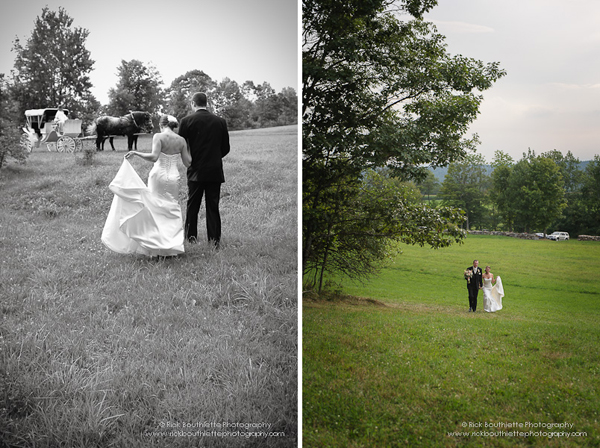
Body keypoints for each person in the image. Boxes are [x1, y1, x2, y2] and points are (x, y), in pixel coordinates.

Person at [101, 115, 191, 257]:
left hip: (158, 177)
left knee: (155, 207)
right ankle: (172, 245)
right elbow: (188, 162)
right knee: (171, 207)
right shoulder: (181, 140)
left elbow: (154, 157)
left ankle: (156, 245)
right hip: (174, 177)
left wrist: (136, 153)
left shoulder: (158, 136)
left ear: (162, 125)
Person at [177, 92, 230, 247]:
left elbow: (181, 146)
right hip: (214, 170)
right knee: (213, 206)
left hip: (195, 171)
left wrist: (190, 160)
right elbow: (226, 148)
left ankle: (190, 237)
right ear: (207, 103)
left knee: (192, 205)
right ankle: (214, 241)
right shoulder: (220, 121)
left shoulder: (186, 121)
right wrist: (213, 158)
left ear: (193, 103)